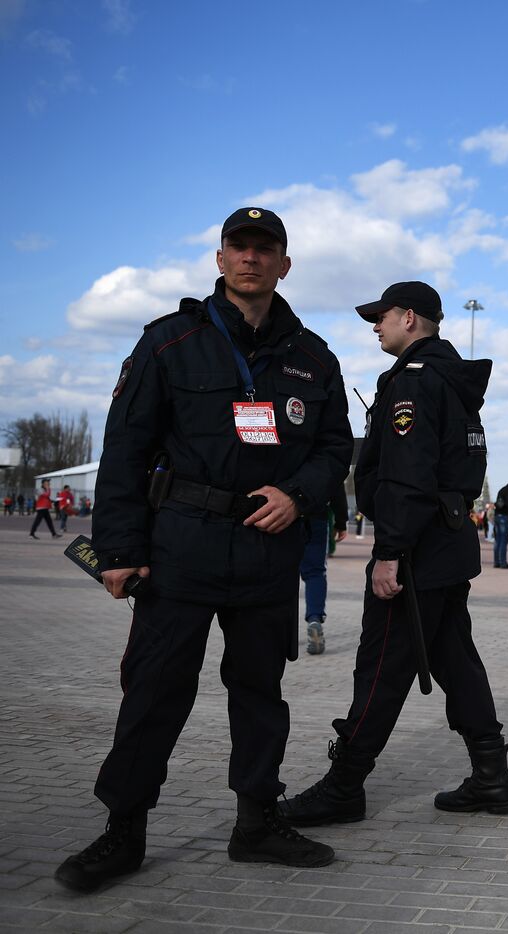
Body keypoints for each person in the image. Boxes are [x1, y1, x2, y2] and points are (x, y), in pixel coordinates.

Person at [56, 208, 353, 893]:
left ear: (284, 263)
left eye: (265, 248)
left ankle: (256, 822)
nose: (251, 258)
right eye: (239, 247)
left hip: (266, 550)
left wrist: (299, 496)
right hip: (180, 546)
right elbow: (125, 450)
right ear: (220, 260)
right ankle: (122, 832)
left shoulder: (313, 357)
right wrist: (118, 550)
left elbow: (336, 449)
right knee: (155, 693)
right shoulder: (170, 342)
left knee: (259, 695)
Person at [279, 280, 508, 829]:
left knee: (382, 665)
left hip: (416, 549)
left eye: (381, 316)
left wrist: (389, 552)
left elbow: (408, 475)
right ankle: (491, 776)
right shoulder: (452, 378)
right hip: (447, 543)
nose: (375, 326)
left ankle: (344, 785)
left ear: (410, 317)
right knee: (455, 658)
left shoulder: (414, 382)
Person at [300, 482, 350, 655]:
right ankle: (315, 619)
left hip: (281, 512)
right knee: (315, 573)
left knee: (283, 571)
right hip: (316, 515)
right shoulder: (321, 453)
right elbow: (334, 480)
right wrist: (341, 521)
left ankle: (282, 631)